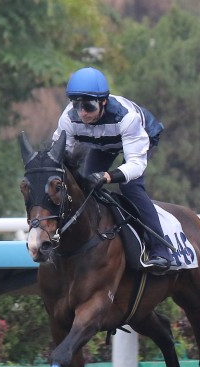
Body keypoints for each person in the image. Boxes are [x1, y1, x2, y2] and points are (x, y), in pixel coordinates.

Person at [52, 67, 170, 272]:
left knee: (130, 188)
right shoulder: (68, 119)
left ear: (104, 102)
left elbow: (136, 165)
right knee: (85, 186)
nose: (82, 113)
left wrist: (107, 176)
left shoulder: (127, 118)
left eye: (88, 106)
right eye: (77, 105)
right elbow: (58, 156)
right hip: (103, 143)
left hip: (140, 137)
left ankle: (161, 250)